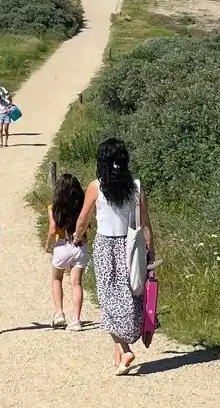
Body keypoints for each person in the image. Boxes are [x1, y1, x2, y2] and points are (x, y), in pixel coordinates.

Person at [73, 138, 150, 374]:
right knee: (129, 295)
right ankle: (119, 359)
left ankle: (125, 350)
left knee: (108, 300)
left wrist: (77, 237)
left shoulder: (96, 186)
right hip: (131, 245)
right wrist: (151, 250)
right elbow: (146, 223)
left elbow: (83, 219)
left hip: (106, 246)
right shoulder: (136, 186)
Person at [47, 172, 88, 330]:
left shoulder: (54, 207)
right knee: (76, 283)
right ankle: (76, 320)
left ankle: (59, 313)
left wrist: (48, 245)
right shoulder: (82, 206)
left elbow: (52, 229)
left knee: (56, 279)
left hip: (62, 245)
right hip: (79, 245)